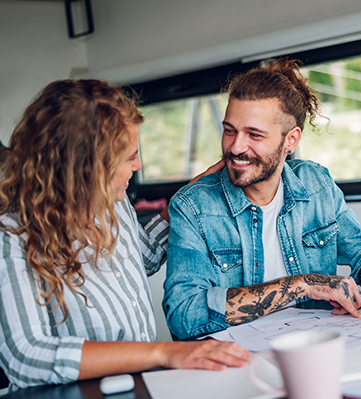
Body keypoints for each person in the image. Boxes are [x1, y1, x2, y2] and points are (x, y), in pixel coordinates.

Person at [0, 80, 250, 390]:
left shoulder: (112, 205)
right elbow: (27, 356)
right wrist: (163, 352)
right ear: (84, 167)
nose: (138, 164)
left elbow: (139, 260)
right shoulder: (12, 237)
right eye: (128, 157)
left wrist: (184, 201)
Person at [164, 59, 361, 340]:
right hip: (240, 362)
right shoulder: (193, 207)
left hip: (319, 348)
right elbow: (184, 315)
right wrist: (301, 285)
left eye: (254, 134)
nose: (235, 146)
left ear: (291, 140)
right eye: (230, 130)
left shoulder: (317, 184)